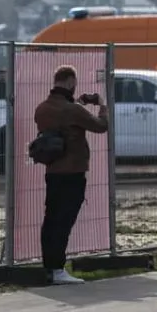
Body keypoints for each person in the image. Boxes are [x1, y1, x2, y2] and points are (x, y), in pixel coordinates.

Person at [34, 64, 109, 285]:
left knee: (51, 219)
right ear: (69, 82)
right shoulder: (73, 110)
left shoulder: (42, 109)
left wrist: (77, 104)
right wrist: (102, 105)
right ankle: (58, 269)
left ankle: (49, 267)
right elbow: (100, 126)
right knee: (64, 221)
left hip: (53, 171)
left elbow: (61, 121)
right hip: (73, 172)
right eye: (74, 83)